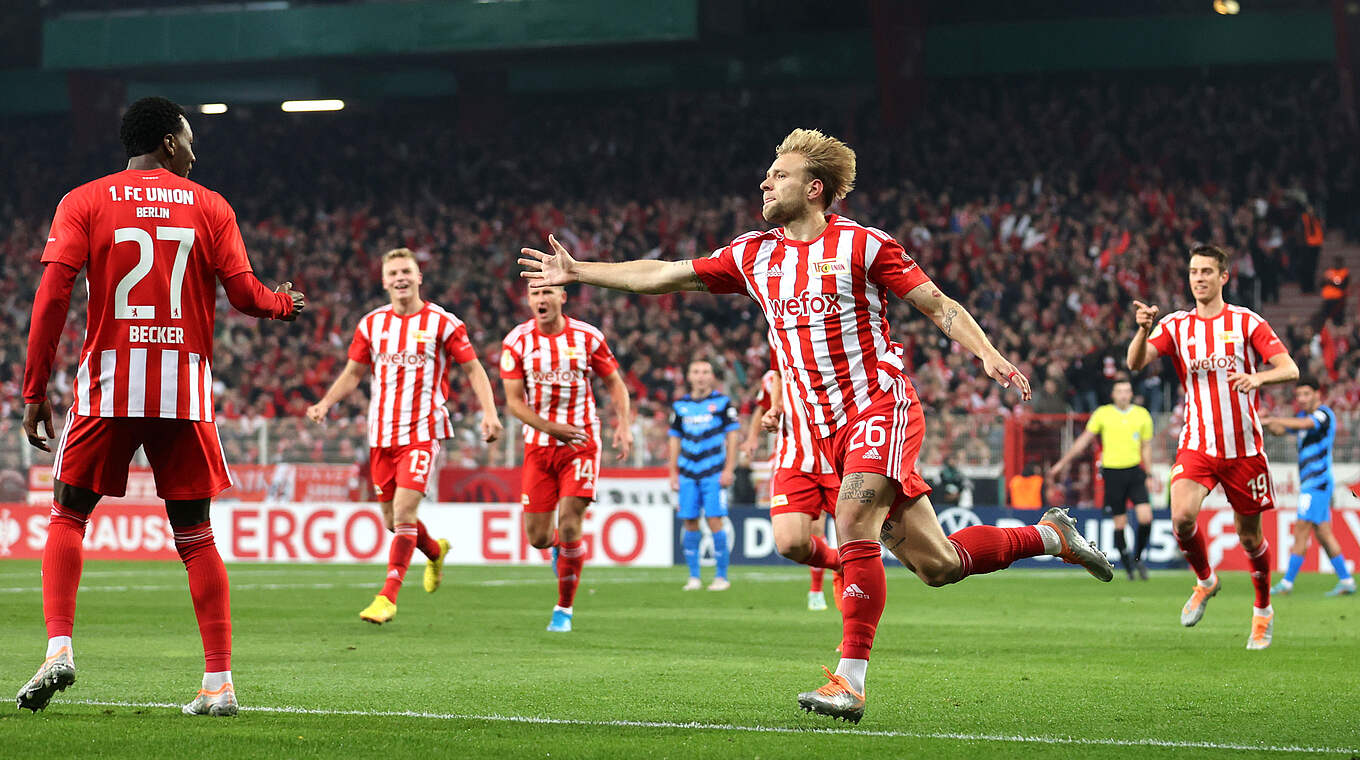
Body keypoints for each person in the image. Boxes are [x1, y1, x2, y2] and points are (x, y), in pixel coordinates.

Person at [520, 128, 1111, 723]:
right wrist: (581, 271)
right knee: (935, 565)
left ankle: (848, 683)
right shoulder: (754, 254)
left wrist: (986, 351)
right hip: (807, 430)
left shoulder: (866, 246)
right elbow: (665, 274)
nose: (764, 183)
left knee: (853, 518)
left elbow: (939, 306)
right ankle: (1051, 537)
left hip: (876, 407)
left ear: (814, 187)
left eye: (777, 175)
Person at [17, 97, 305, 716]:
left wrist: (34, 390)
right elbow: (244, 295)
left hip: (109, 385)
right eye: (191, 140)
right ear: (170, 144)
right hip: (184, 390)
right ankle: (219, 683)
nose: (197, 153)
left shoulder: (83, 201)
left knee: (68, 516)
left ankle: (59, 648)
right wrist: (284, 303)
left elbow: (52, 295)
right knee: (197, 537)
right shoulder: (211, 206)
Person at [305, 247, 503, 625]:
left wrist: (489, 413)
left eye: (406, 271)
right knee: (393, 522)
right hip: (381, 434)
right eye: (393, 272)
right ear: (384, 281)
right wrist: (325, 402)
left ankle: (387, 596)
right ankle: (434, 550)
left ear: (418, 277)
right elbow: (352, 373)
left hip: (422, 430)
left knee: (404, 512)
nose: (400, 278)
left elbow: (474, 369)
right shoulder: (371, 324)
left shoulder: (443, 323)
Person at [1127, 244, 1299, 650]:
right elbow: (1136, 363)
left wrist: (1259, 380)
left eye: (1206, 271)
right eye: (1193, 271)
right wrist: (1141, 329)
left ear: (1224, 277)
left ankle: (1262, 610)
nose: (1198, 278)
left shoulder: (1246, 321)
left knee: (1249, 538)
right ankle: (1206, 580)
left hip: (1243, 449)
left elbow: (1289, 368)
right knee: (1182, 517)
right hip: (1198, 443)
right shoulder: (1176, 325)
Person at [500, 283, 633, 633]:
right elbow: (514, 403)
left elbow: (615, 384)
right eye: (534, 294)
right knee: (540, 538)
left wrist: (624, 425)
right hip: (539, 445)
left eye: (548, 292)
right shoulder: (516, 341)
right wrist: (550, 427)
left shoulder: (588, 337)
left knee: (571, 522)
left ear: (563, 297)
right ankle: (563, 554)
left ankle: (564, 608)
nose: (541, 299)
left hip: (581, 441)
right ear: (528, 300)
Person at [744, 366, 842, 611]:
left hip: (835, 460)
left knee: (836, 535)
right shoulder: (773, 376)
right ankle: (824, 581)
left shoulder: (835, 359)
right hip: (796, 462)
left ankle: (828, 600)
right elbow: (763, 408)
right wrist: (754, 435)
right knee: (797, 540)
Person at [1048, 376, 1156, 580]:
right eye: (1120, 391)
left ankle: (1138, 557)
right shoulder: (1103, 414)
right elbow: (1084, 441)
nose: (1124, 395)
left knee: (1145, 517)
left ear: (1131, 393)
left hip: (1135, 471)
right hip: (1113, 473)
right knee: (1120, 523)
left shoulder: (1142, 415)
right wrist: (1062, 464)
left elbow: (1146, 446)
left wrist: (1149, 473)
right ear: (1113, 395)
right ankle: (1128, 565)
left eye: (1127, 391)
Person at [1262, 376, 1356, 596]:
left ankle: (1287, 583)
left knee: (1301, 528)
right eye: (1299, 395)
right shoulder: (1301, 417)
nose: (1302, 399)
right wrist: (1265, 422)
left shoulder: (1323, 414)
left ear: (1317, 394)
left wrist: (1275, 419)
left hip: (1317, 482)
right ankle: (1347, 580)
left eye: (1306, 394)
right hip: (1312, 483)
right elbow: (1281, 430)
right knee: (1323, 533)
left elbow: (1304, 425)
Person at [669, 359, 740, 591]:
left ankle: (721, 577)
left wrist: (729, 469)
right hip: (688, 473)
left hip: (713, 473)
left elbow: (732, 437)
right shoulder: (680, 405)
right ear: (689, 376)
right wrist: (672, 472)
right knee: (689, 521)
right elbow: (674, 439)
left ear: (712, 377)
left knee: (714, 520)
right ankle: (694, 577)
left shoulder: (722, 403)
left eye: (705, 372)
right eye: (696, 371)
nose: (701, 376)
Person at [1320, 257, 1349, 326]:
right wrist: (1326, 281)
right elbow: (1321, 283)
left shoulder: (1344, 272)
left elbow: (1343, 285)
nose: (1336, 264)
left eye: (1338, 263)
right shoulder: (1329, 272)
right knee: (1325, 317)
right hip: (1328, 299)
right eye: (1335, 262)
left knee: (1338, 317)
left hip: (1338, 299)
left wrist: (1331, 282)